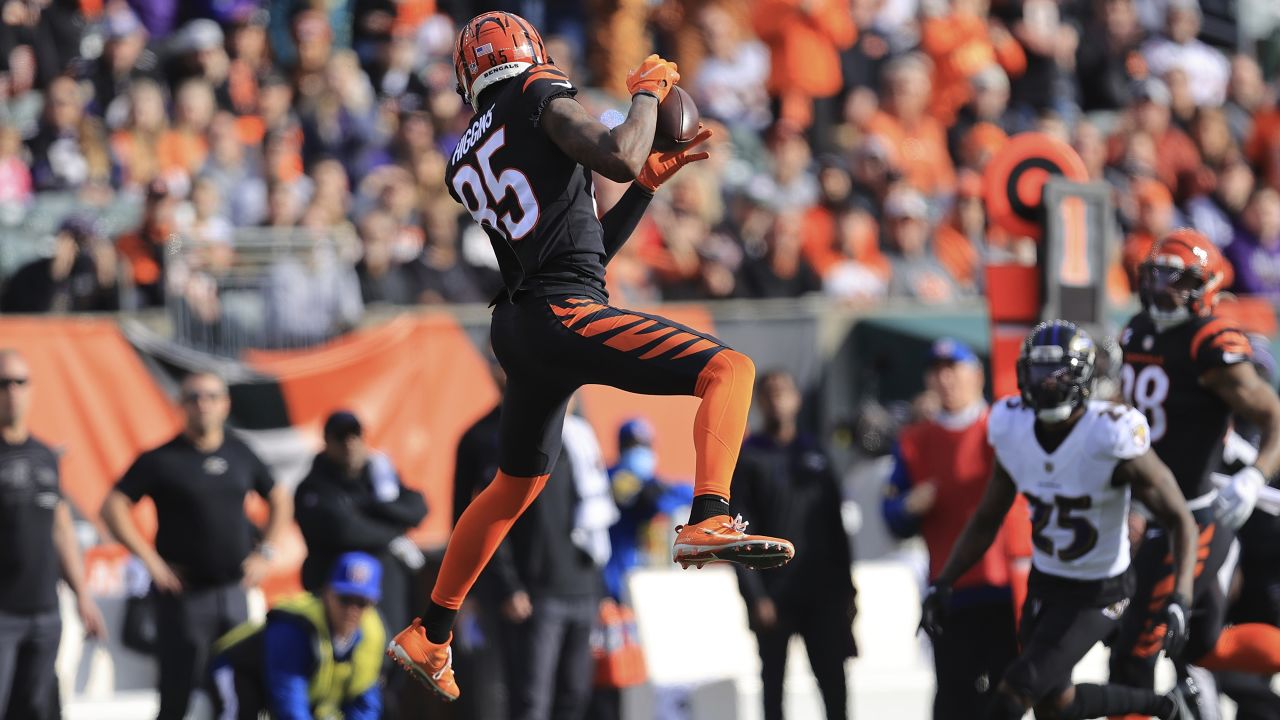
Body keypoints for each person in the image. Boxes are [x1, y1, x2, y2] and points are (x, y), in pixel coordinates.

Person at [386, 11, 794, 702]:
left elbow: (583, 251)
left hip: (523, 321)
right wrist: (646, 90)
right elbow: (616, 153)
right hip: (557, 313)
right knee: (732, 370)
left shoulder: (468, 152)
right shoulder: (538, 93)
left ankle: (430, 630)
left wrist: (647, 185)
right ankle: (708, 516)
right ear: (532, 55)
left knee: (513, 487)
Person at [922, 321, 1198, 719]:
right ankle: (1167, 705)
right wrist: (944, 581)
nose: (1047, 384)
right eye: (1038, 373)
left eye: (1059, 374)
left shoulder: (1110, 432)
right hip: (1047, 583)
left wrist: (1182, 597)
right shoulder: (1012, 426)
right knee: (1055, 705)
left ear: (1084, 377)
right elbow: (987, 517)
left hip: (1100, 590)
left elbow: (1179, 517)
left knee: (1015, 691)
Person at [1111, 230, 1280, 704]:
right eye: (1156, 273)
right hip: (1151, 510)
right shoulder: (1137, 329)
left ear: (1206, 286)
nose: (1162, 287)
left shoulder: (1211, 342)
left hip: (1192, 518)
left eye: (1176, 278)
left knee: (1133, 655)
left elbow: (1274, 418)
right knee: (1205, 645)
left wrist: (1254, 477)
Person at [100, 371, 293, 720]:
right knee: (177, 692)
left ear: (225, 404)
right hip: (184, 597)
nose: (202, 404)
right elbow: (113, 506)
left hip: (233, 591)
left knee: (238, 690)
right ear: (181, 405)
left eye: (211, 396)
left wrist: (265, 552)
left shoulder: (240, 452)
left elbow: (279, 498)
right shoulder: (162, 458)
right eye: (193, 397)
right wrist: (150, 561)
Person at [882, 339, 1028, 719]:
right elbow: (893, 517)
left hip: (1005, 588)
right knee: (953, 696)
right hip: (952, 589)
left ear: (976, 374)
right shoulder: (915, 441)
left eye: (954, 368)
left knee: (1007, 695)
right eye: (937, 370)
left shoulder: (1003, 427)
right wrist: (910, 504)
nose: (945, 379)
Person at [733, 369, 856, 720]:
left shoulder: (814, 452)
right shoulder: (749, 456)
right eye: (769, 393)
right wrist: (756, 596)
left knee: (834, 685)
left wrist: (848, 590)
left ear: (797, 399)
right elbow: (739, 533)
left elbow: (836, 525)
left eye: (784, 391)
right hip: (775, 595)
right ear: (758, 402)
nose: (777, 399)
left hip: (822, 594)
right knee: (773, 688)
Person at [0, 349, 106, 720]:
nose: (11, 391)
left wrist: (83, 596)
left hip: (45, 611)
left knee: (36, 709)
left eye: (19, 382)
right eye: (3, 383)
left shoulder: (45, 455)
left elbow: (61, 528)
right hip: (3, 612)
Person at [294, 410, 427, 639]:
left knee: (391, 648)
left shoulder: (379, 477)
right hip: (338, 590)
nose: (349, 443)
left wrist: (375, 505)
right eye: (341, 437)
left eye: (354, 435)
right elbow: (345, 530)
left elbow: (417, 509)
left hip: (383, 587)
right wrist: (395, 531)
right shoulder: (314, 486)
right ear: (327, 442)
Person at [210, 552, 386, 720]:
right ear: (327, 593)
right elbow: (288, 700)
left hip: (294, 693)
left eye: (362, 602)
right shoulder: (294, 628)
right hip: (239, 671)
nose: (352, 610)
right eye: (345, 599)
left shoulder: (371, 637)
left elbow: (365, 702)